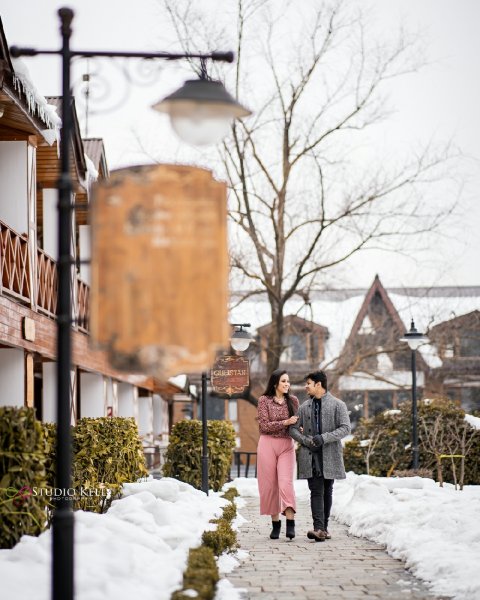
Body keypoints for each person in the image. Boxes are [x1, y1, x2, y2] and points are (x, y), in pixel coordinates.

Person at [289, 370, 351, 542]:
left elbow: (346, 428)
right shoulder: (303, 407)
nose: (306, 387)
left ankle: (324, 528)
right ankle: (319, 529)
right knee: (316, 490)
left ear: (318, 384)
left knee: (327, 491)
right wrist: (306, 440)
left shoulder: (338, 405)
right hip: (310, 455)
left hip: (330, 454)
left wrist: (323, 438)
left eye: (308, 383)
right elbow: (292, 429)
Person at [256, 369, 299, 540]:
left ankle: (290, 523)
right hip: (267, 443)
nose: (287, 384)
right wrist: (286, 422)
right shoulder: (263, 401)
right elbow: (264, 426)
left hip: (287, 445)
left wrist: (298, 427)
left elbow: (297, 424)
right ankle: (275, 525)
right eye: (283, 381)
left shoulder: (293, 401)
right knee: (270, 485)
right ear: (275, 383)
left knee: (285, 483)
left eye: (288, 381)